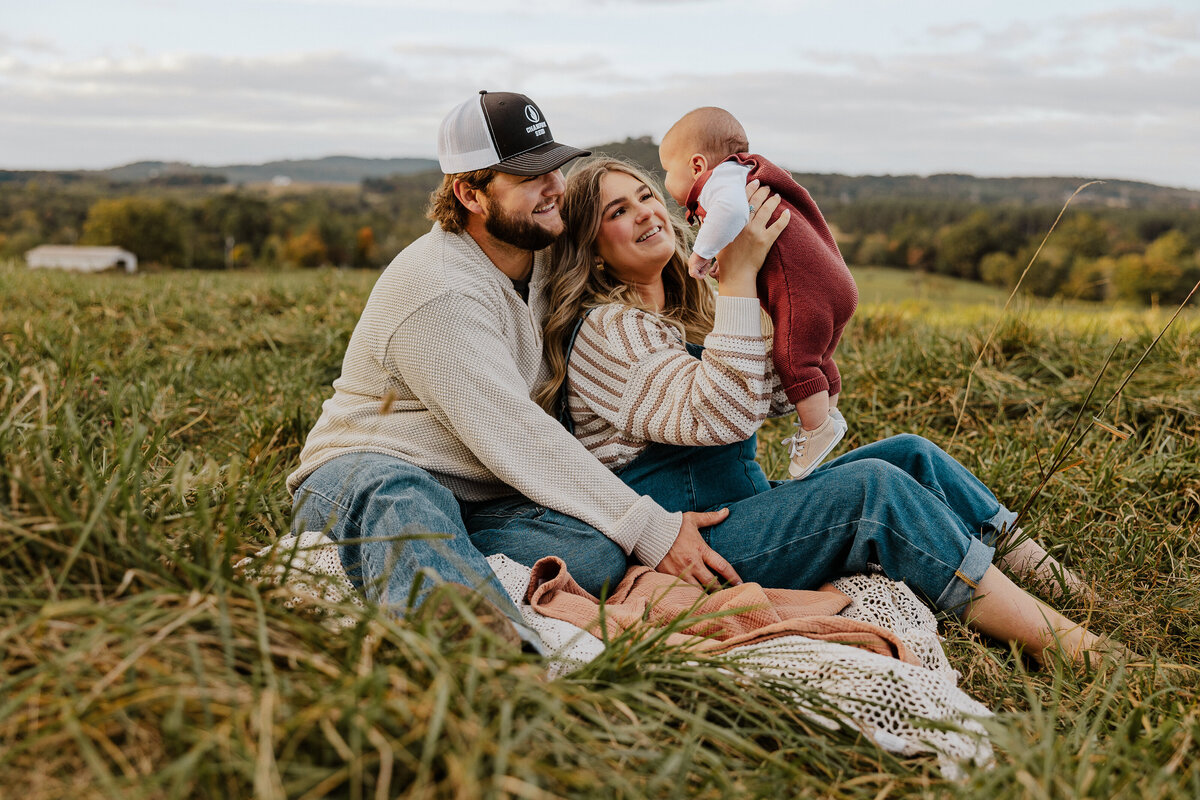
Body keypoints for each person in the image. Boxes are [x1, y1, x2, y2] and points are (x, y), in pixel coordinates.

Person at [536, 156, 1106, 665]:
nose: (644, 212)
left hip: (744, 510)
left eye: (644, 195)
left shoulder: (682, 316)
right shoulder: (609, 332)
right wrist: (737, 278)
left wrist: (794, 282)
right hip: (698, 551)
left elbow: (777, 390)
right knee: (873, 491)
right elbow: (720, 417)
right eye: (618, 210)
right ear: (591, 248)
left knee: (910, 453)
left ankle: (1066, 588)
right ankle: (1067, 644)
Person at [286, 91, 744, 647]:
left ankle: (443, 556)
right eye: (529, 176)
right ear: (469, 194)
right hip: (366, 472)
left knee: (594, 554)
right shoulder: (438, 289)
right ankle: (482, 655)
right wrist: (651, 526)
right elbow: (513, 432)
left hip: (486, 495)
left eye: (552, 164)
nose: (554, 186)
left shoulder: (542, 253)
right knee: (404, 500)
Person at [659, 107, 856, 479]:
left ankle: (816, 430)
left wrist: (701, 253)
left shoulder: (722, 183)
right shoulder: (744, 174)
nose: (667, 183)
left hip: (808, 294)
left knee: (792, 358)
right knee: (816, 356)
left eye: (668, 171)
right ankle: (828, 415)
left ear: (697, 166)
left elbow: (731, 212)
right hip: (833, 285)